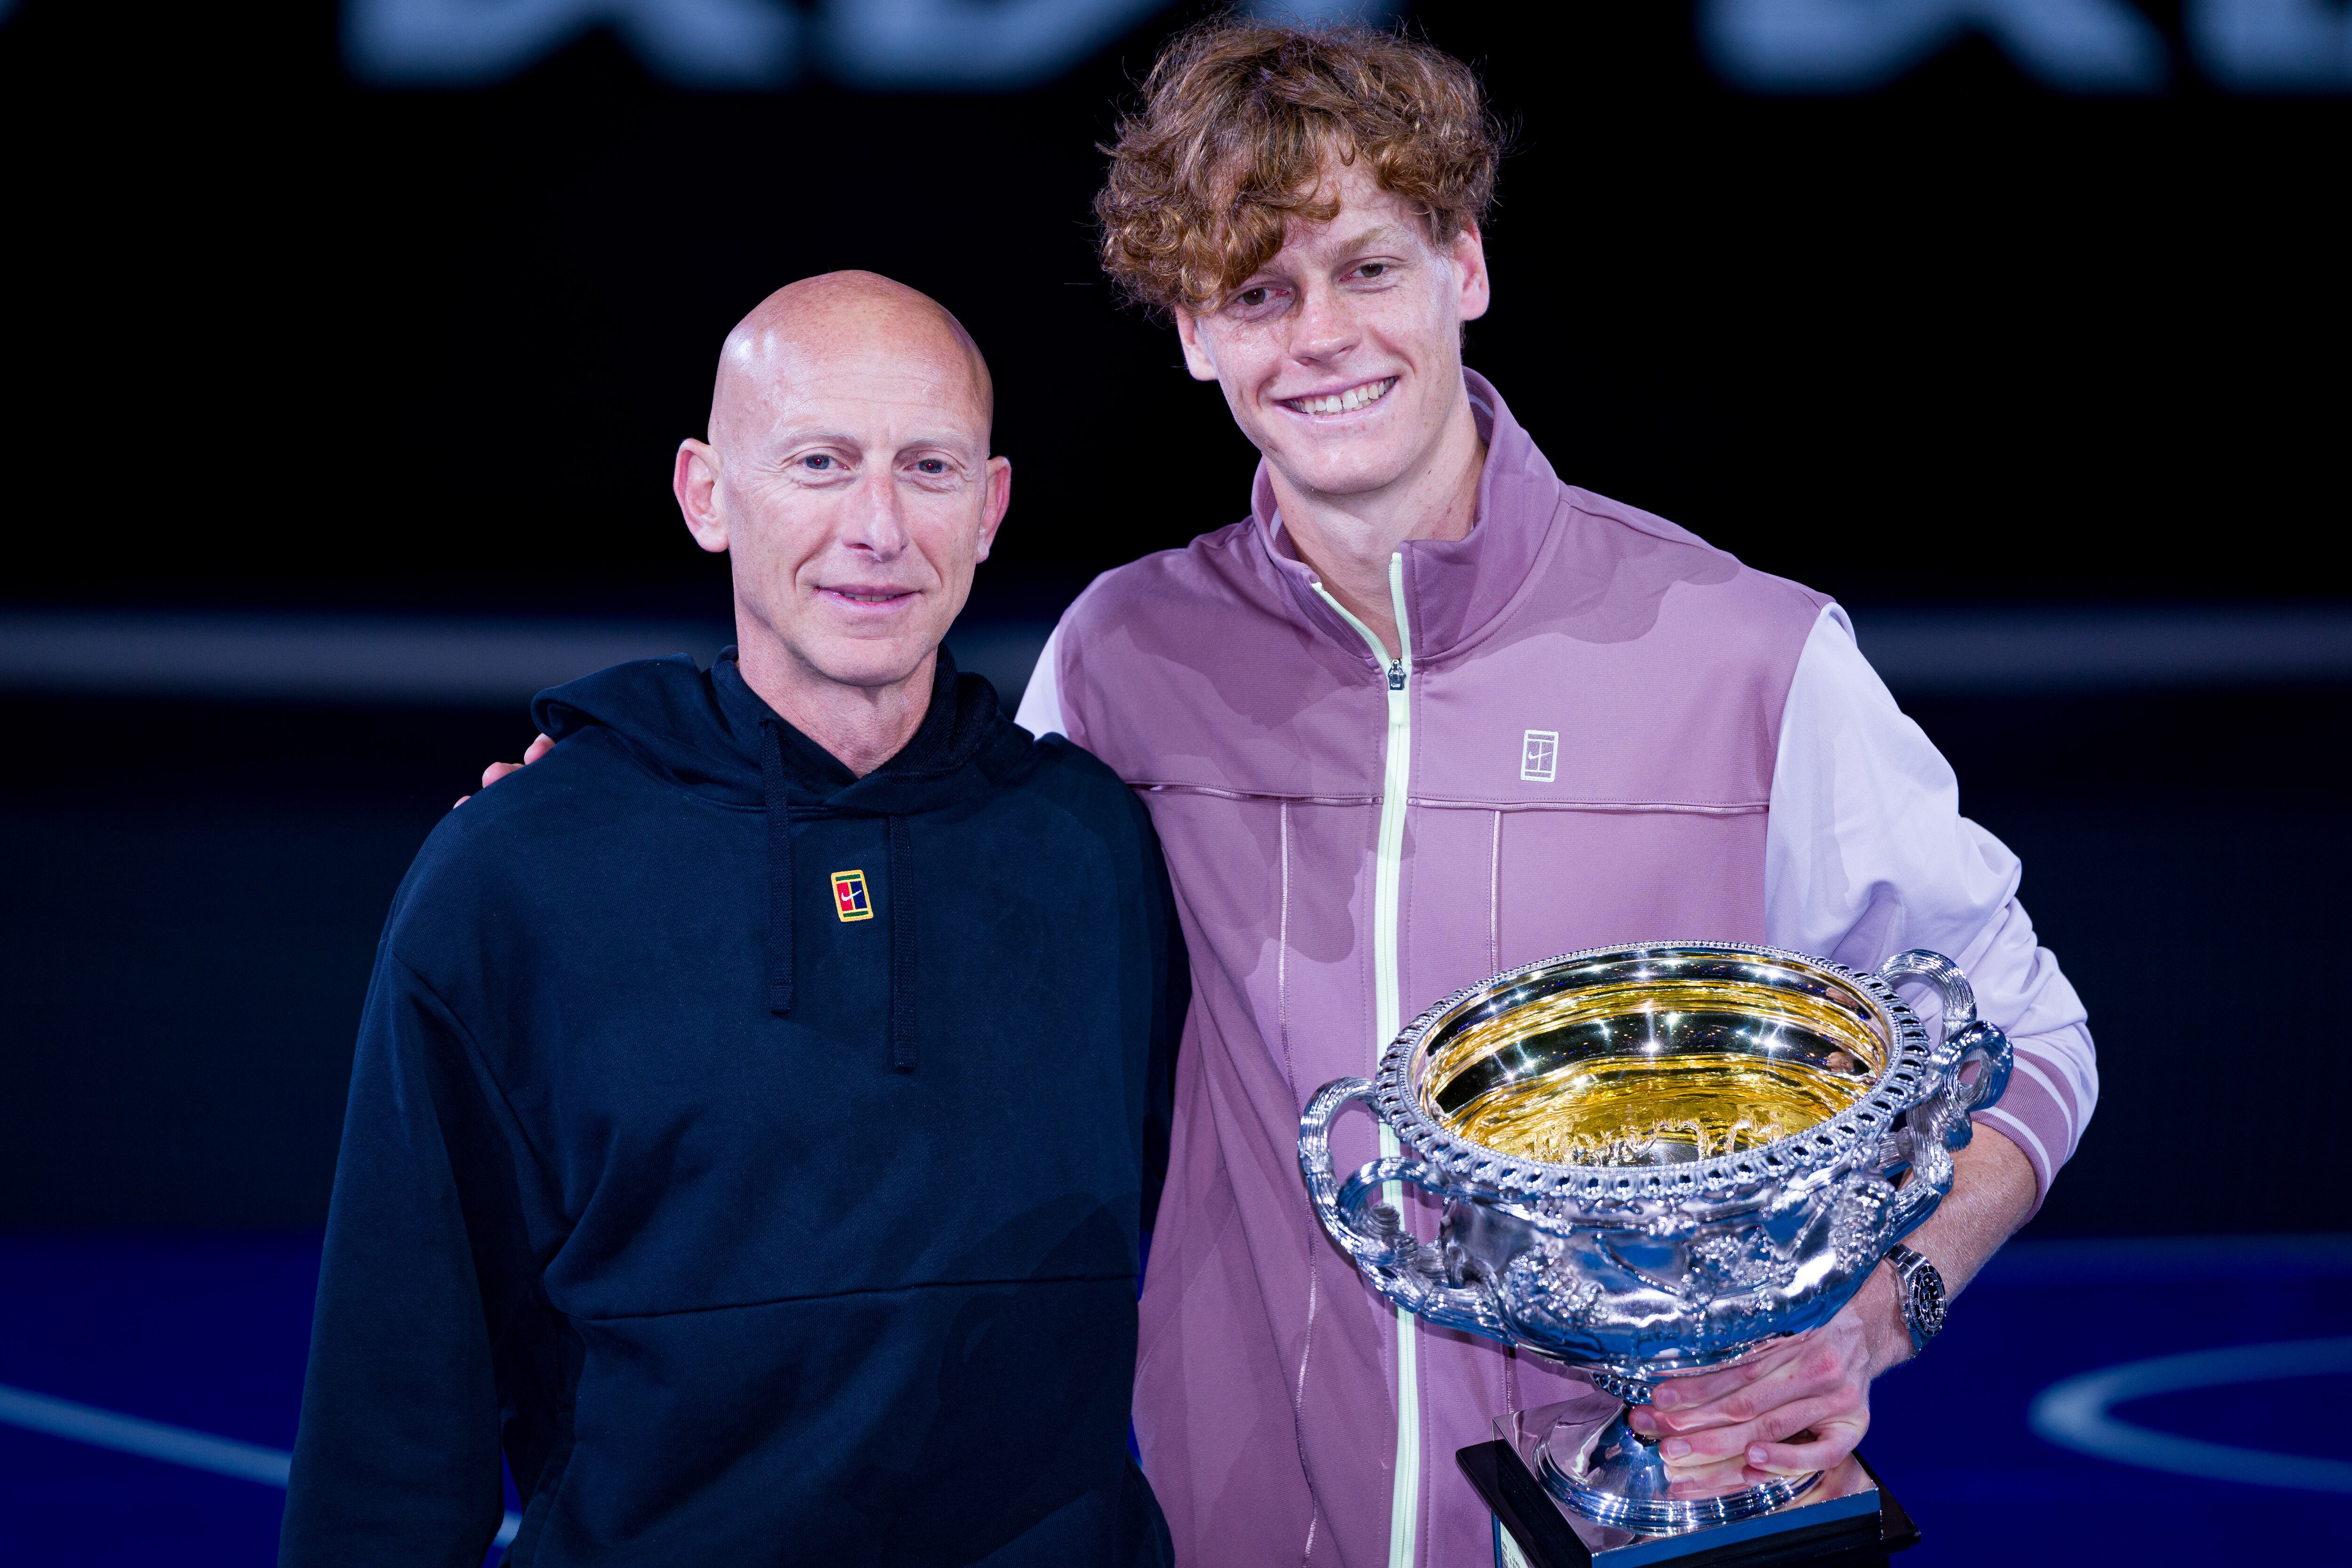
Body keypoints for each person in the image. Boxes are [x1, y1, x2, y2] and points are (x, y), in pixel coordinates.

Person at [1011, 20, 2096, 1568]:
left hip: (1663, 1529)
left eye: (1369, 268)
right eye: (1258, 292)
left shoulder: (1743, 653)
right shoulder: (1122, 663)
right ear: (1195, 333)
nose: (1322, 338)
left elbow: (2028, 1030)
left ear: (1465, 264)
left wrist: (1879, 1307)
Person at [281, 273, 1183, 1566]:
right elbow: (395, 1390)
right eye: (821, 462)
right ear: (707, 494)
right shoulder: (517, 872)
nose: (878, 527)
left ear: (989, 508)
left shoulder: (1095, 846)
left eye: (928, 468)